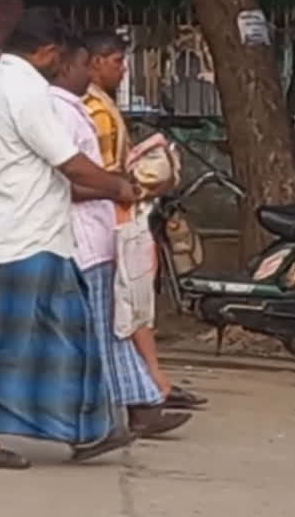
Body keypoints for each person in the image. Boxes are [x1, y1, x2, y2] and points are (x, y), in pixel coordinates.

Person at [0, 7, 141, 469]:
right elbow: (68, 162)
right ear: (48, 52)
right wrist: (119, 186)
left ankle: (85, 429)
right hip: (24, 236)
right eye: (65, 59)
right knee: (10, 343)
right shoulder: (28, 91)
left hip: (27, 232)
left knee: (72, 336)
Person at [51, 34, 192, 439]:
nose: (122, 69)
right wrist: (120, 187)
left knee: (114, 320)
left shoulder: (88, 106)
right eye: (114, 61)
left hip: (103, 227)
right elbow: (73, 178)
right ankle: (129, 406)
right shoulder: (79, 110)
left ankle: (143, 399)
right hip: (86, 228)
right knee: (102, 325)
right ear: (82, 64)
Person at [82, 29, 207, 410]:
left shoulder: (100, 104)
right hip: (112, 221)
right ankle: (150, 387)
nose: (122, 70)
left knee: (133, 305)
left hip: (118, 219)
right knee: (129, 306)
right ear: (96, 62)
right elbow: (101, 172)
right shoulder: (97, 110)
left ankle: (153, 383)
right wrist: (135, 183)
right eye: (117, 62)